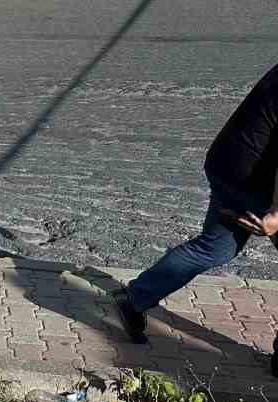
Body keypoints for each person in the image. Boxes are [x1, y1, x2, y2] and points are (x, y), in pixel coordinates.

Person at [115, 63, 278, 372]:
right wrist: (275, 214)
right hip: (257, 180)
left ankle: (135, 298)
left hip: (228, 164)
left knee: (216, 248)